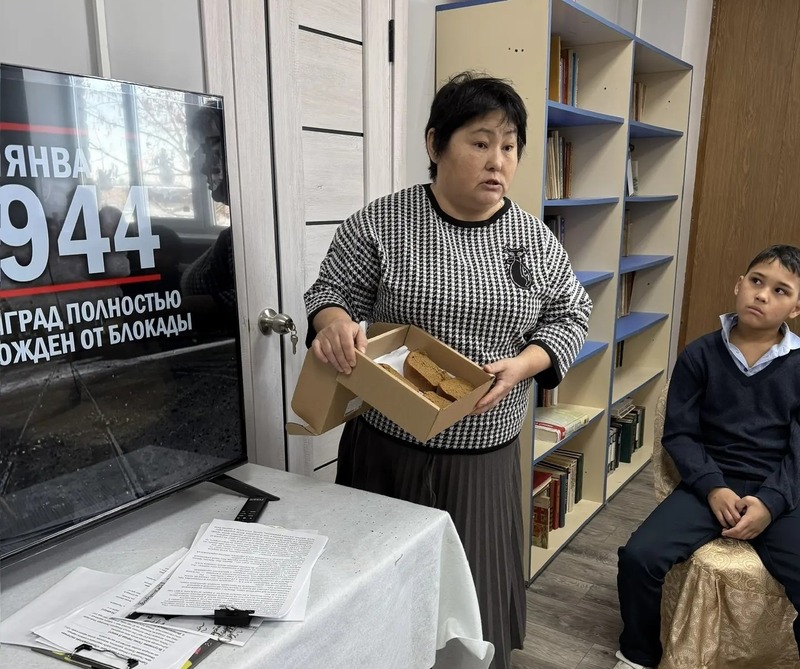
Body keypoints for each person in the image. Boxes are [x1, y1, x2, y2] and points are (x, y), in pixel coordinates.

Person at [304, 72, 592, 669]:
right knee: (378, 592)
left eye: (509, 146)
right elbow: (332, 292)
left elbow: (570, 314)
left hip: (483, 454)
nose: (498, 161)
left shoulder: (534, 240)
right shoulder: (382, 222)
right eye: (480, 142)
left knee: (472, 605)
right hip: (388, 446)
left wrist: (525, 364)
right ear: (435, 144)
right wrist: (333, 322)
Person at [614, 244, 800, 669]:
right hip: (709, 482)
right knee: (639, 557)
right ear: (738, 285)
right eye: (756, 281)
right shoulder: (699, 354)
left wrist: (770, 504)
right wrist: (713, 487)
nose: (762, 294)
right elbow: (680, 433)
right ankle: (637, 652)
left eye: (780, 290)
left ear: (795, 308)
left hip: (778, 490)